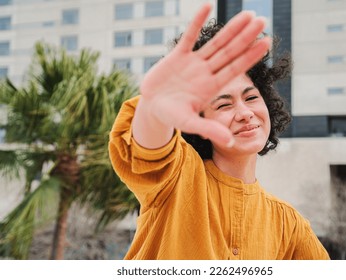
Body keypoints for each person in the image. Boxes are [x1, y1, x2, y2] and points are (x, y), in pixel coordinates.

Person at [109, 3, 330, 260]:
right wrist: (156, 105)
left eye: (250, 98)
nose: (245, 112)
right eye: (224, 104)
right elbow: (148, 149)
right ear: (197, 122)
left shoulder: (289, 225)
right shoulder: (177, 178)